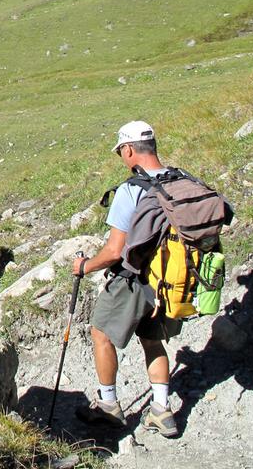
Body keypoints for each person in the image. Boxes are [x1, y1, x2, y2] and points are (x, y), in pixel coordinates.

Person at [70, 120, 180, 438]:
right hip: (169, 279)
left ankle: (109, 406)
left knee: (101, 333)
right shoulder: (178, 180)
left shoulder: (131, 190)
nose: (121, 157)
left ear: (129, 149)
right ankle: (162, 410)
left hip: (135, 279)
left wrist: (85, 266)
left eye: (120, 151)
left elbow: (114, 251)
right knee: (152, 340)